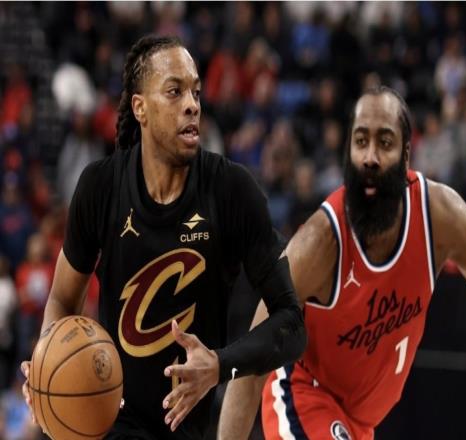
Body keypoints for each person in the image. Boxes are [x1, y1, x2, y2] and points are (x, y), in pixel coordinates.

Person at [20, 35, 307, 440]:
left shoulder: (231, 190)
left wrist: (219, 365)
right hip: (112, 422)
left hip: (186, 429)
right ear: (140, 108)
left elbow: (292, 323)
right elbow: (63, 300)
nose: (192, 104)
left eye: (196, 92)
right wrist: (47, 363)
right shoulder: (100, 186)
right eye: (174, 91)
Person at [218, 86, 466, 440]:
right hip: (303, 395)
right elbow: (249, 368)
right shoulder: (320, 242)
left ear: (406, 155)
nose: (370, 157)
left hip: (359, 423)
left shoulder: (440, 216)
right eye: (361, 141)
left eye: (385, 142)